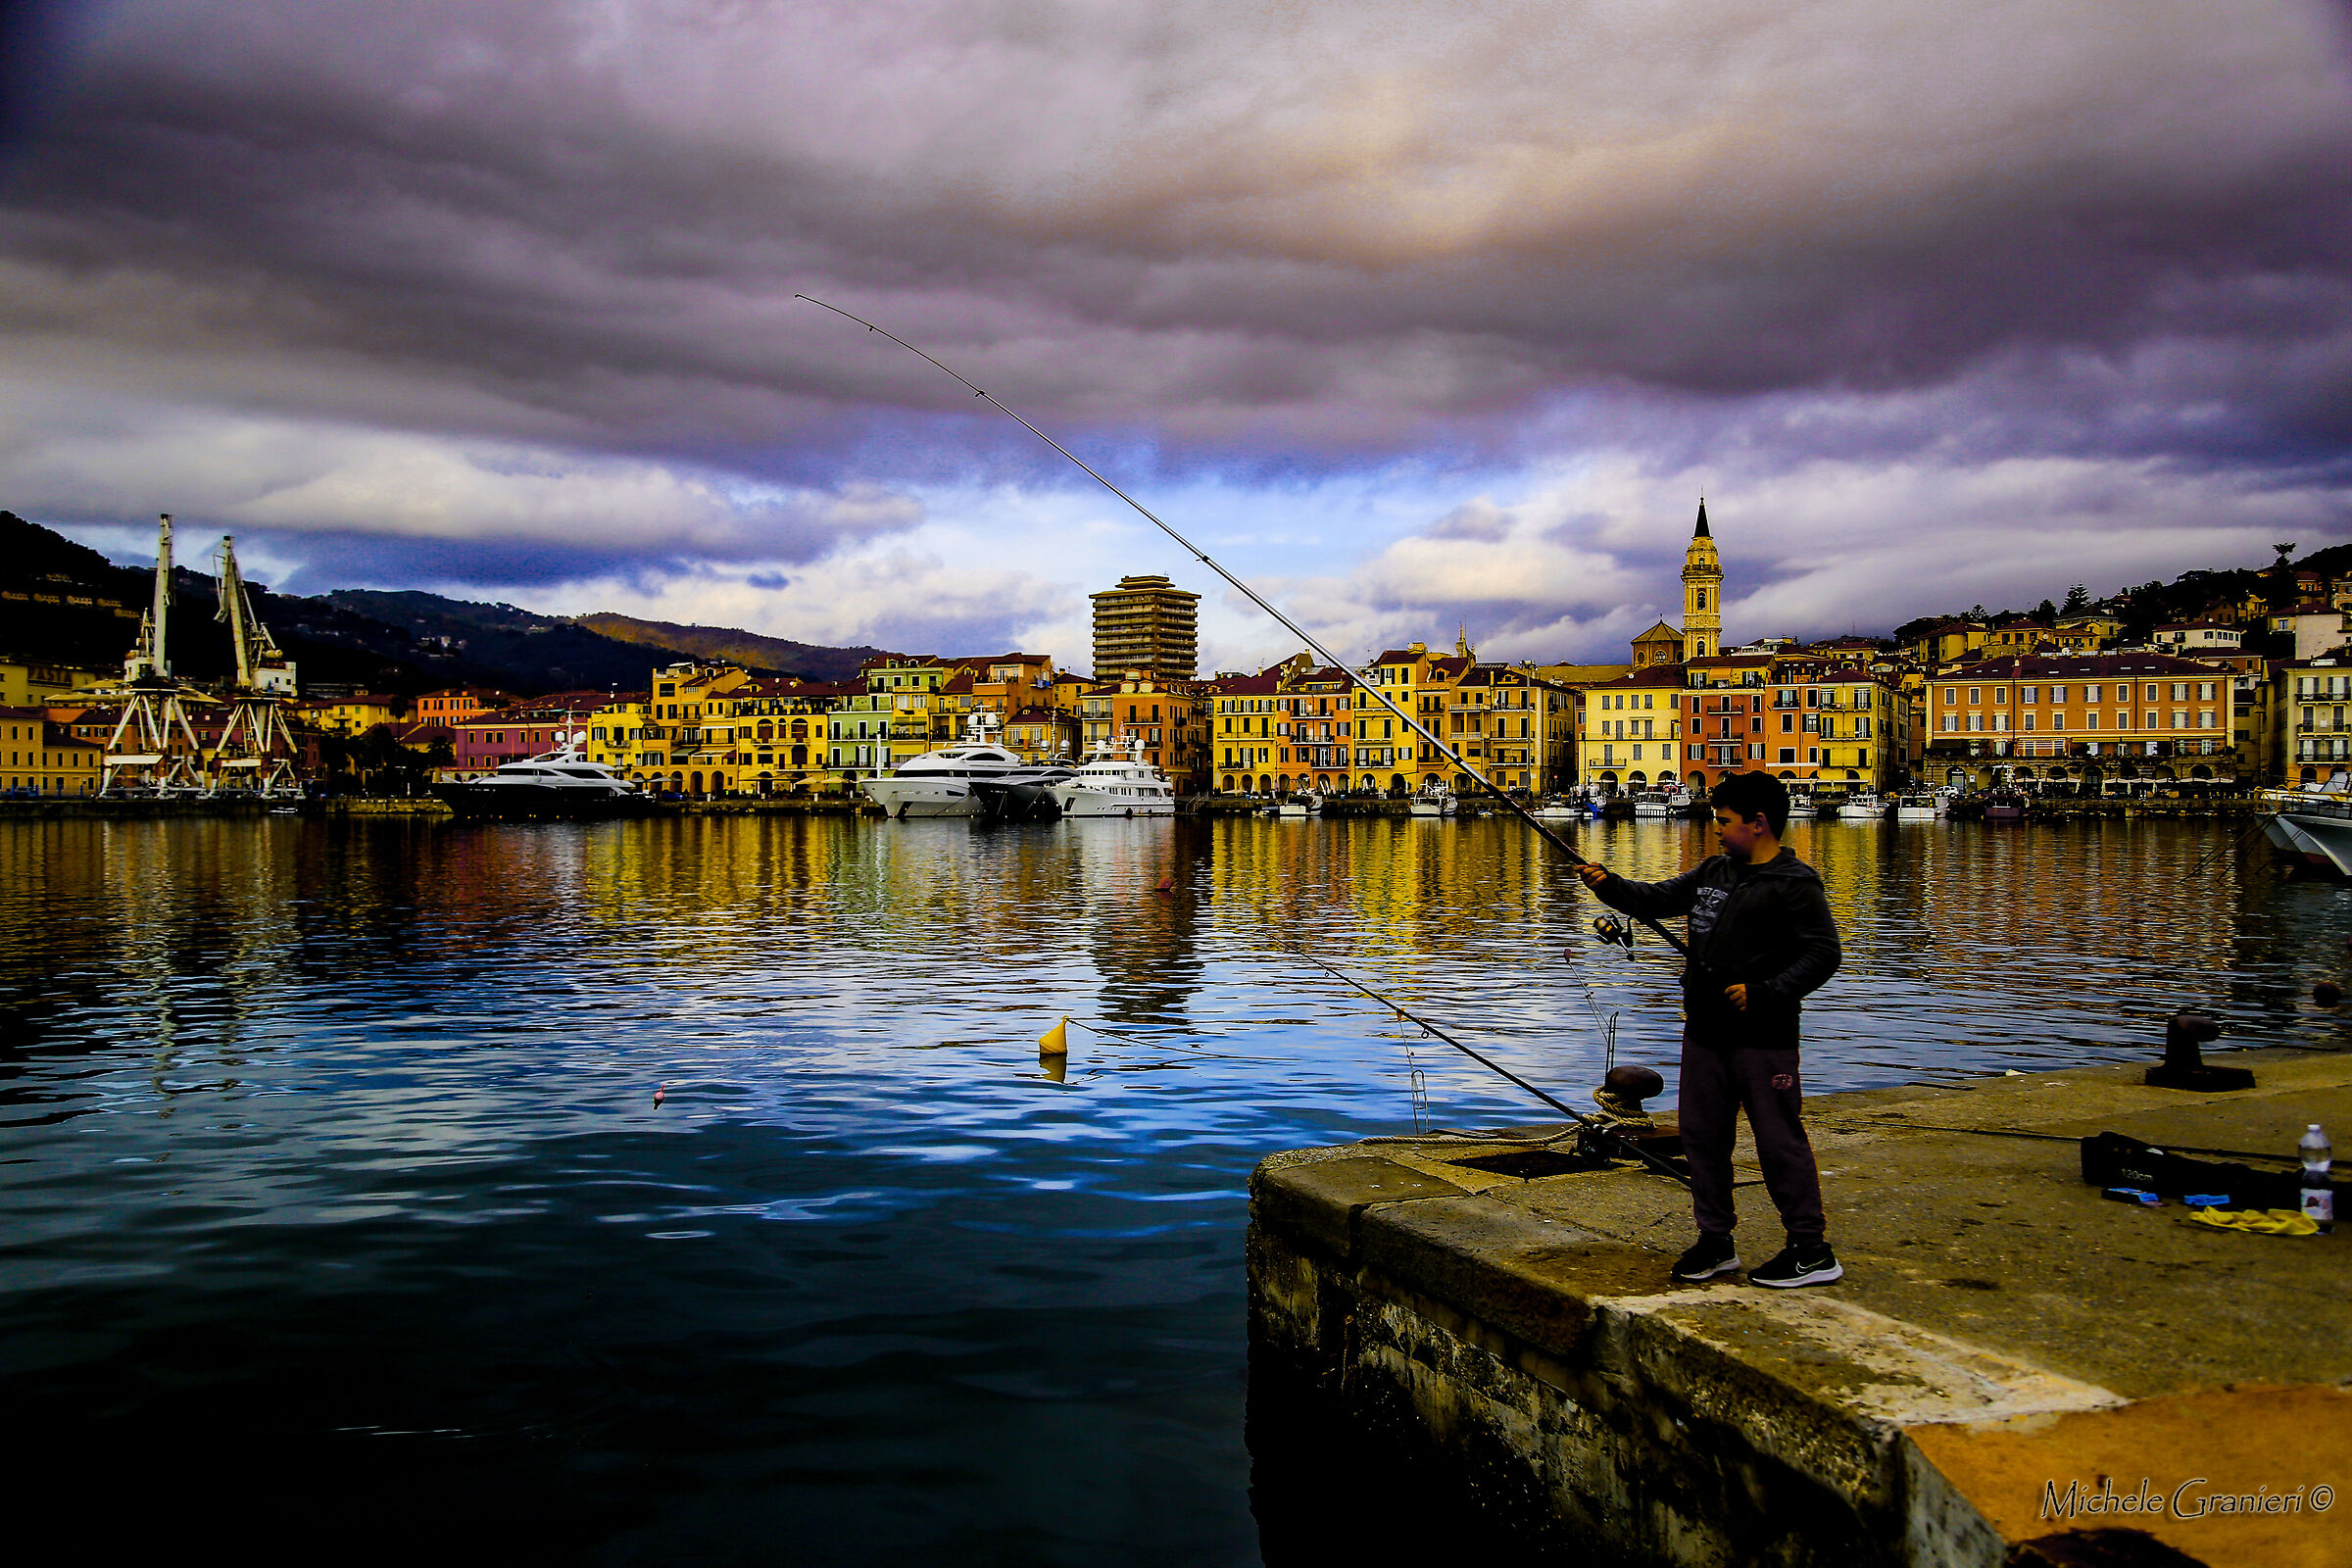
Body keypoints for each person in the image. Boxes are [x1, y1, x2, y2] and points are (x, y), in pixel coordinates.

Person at [1576, 771, 1844, 1288]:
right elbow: (1653, 899)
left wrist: (1768, 991)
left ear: (1758, 823)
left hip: (1763, 1039)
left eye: (1724, 820)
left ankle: (1811, 1250)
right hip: (1704, 1032)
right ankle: (1716, 1241)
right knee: (1702, 1138)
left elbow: (1823, 954)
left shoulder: (1796, 884)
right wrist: (1607, 884)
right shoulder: (1712, 871)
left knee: (1778, 1140)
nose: (1716, 828)